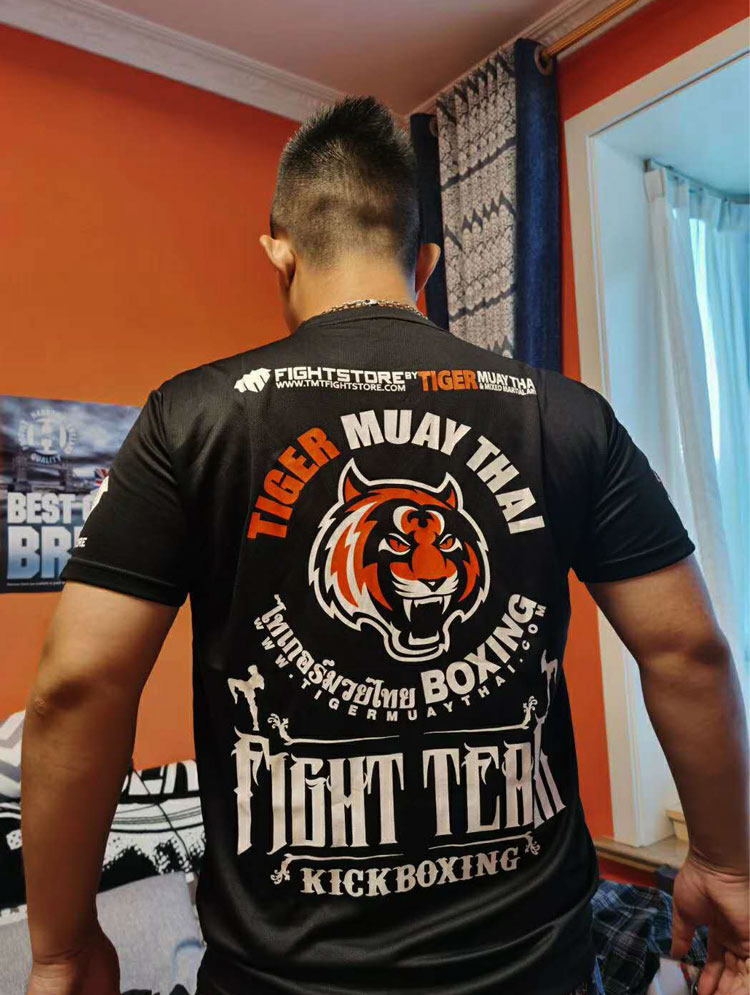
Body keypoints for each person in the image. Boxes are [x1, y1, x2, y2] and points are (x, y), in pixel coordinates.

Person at [22, 96, 748, 995]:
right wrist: (727, 863)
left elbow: (77, 686)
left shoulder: (192, 416)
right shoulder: (565, 416)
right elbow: (689, 650)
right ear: (427, 262)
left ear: (279, 250)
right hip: (536, 971)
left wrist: (61, 947)